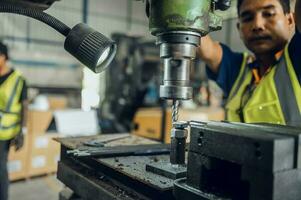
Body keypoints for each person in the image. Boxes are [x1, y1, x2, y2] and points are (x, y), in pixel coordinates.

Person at [198, 0, 301, 126]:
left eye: (269, 14)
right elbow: (202, 44)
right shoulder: (237, 69)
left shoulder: (296, 58)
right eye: (247, 18)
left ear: (291, 20)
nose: (257, 25)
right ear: (239, 28)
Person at [0, 42, 27, 200]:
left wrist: (22, 132)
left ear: (3, 57)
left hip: (5, 132)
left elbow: (25, 108)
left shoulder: (18, 80)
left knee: (0, 168)